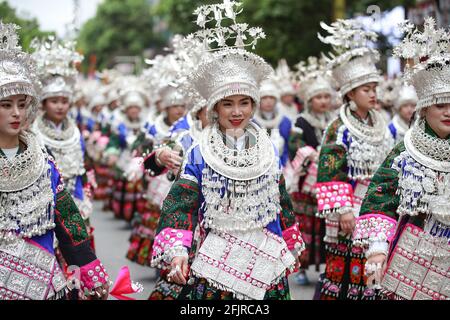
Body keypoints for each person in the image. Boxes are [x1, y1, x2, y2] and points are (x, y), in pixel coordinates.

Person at [150, 1, 304, 300]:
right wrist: (179, 250)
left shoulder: (266, 147)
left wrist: (289, 240)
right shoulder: (199, 151)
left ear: (254, 105)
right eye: (228, 104)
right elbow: (181, 205)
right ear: (214, 108)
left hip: (265, 253)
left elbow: (280, 199)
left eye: (244, 103)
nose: (237, 112)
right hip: (217, 255)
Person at [0, 21, 109, 300]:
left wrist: (89, 270)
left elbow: (67, 219)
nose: (16, 113)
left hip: (44, 279)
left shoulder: (42, 161)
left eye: (22, 105)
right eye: (6, 105)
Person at [353, 17, 450, 300]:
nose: (447, 113)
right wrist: (378, 249)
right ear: (424, 108)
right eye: (440, 105)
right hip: (412, 257)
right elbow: (381, 199)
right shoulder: (406, 152)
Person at [315, 19, 392, 300]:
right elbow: (330, 170)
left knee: (375, 262)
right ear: (350, 92)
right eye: (366, 89)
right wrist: (344, 209)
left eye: (375, 88)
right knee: (347, 263)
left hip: (377, 201)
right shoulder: (339, 127)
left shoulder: (382, 122)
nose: (373, 94)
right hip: (350, 202)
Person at [31, 36, 95, 251]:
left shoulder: (76, 131)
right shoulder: (34, 133)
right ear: (44, 103)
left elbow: (82, 168)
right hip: (48, 203)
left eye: (64, 101)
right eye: (54, 101)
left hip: (76, 200)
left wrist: (85, 194)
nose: (60, 106)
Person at [288, 56, 333, 285]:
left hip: (327, 180)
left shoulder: (334, 120)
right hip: (306, 184)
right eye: (318, 97)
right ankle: (302, 267)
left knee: (326, 225)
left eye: (326, 96)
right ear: (309, 100)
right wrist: (310, 154)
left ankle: (326, 267)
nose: (323, 101)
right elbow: (293, 146)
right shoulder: (301, 121)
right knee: (306, 226)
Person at [253, 78, 292, 168]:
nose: (268, 101)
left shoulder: (285, 121)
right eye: (264, 98)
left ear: (276, 100)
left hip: (283, 166)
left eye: (271, 97)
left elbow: (288, 146)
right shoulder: (252, 122)